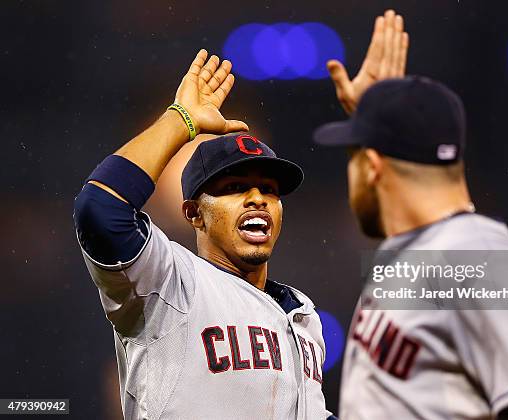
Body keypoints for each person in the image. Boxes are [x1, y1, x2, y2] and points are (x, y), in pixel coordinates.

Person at [315, 9, 508, 419]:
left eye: (353, 156)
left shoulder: (476, 257)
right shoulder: (427, 254)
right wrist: (379, 116)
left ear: (374, 166)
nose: (351, 172)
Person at [74, 50, 334, 419]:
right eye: (235, 187)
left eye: (269, 189)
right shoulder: (171, 284)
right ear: (194, 213)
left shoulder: (303, 314)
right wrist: (180, 122)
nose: (257, 198)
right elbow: (100, 209)